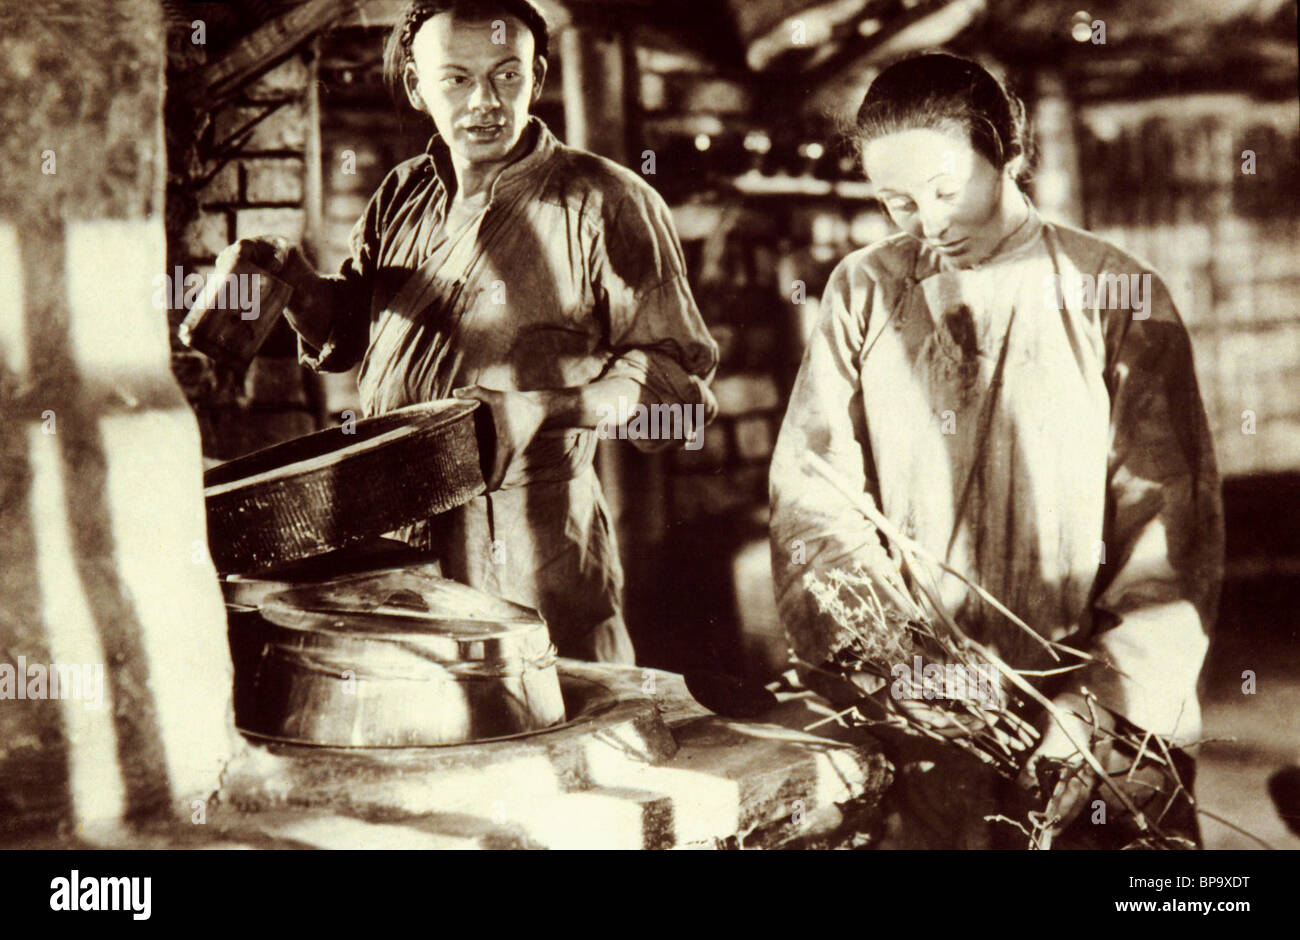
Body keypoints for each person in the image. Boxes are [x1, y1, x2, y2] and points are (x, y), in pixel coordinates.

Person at [768, 53, 1223, 848]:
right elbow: (814, 489)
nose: (929, 223)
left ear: (1008, 154)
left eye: (948, 191)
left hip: (1087, 724)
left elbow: (1172, 525)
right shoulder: (865, 289)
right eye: (897, 201)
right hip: (922, 710)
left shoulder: (1113, 291)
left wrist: (1104, 704)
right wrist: (890, 650)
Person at [228, 0, 718, 663]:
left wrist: (549, 407)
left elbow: (679, 394)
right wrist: (299, 287)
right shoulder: (403, 194)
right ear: (415, 86)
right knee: (415, 723)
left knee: (548, 717)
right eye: (456, 78)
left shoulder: (607, 200)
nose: (484, 101)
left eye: (507, 75)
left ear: (538, 78)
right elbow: (355, 336)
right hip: (393, 539)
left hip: (533, 541)